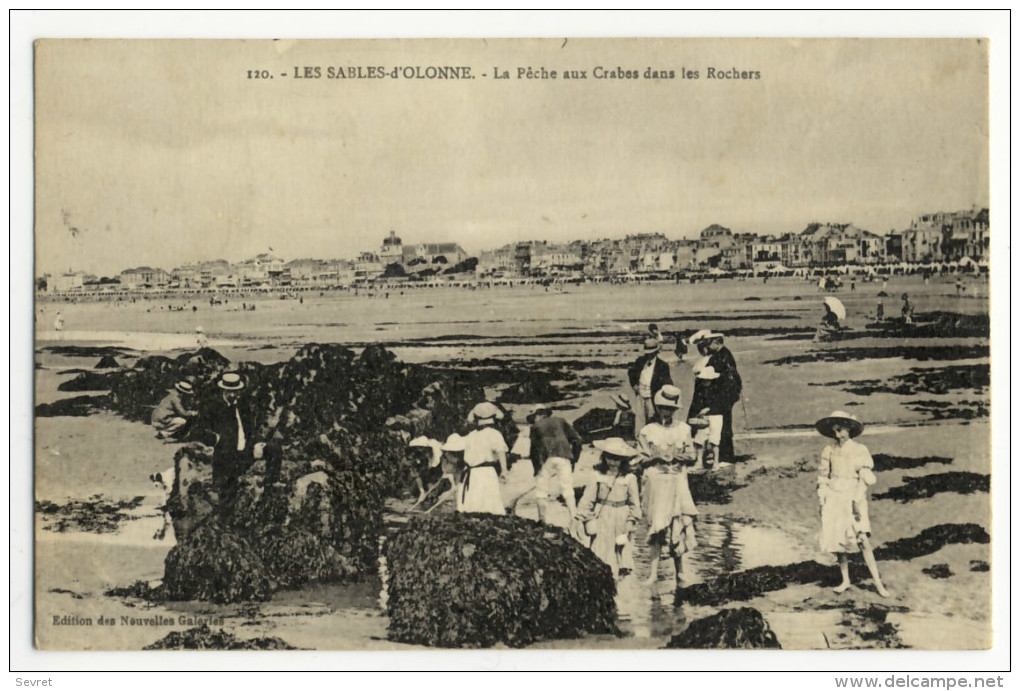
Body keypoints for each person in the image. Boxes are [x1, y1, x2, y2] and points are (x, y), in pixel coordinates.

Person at [816, 411, 890, 597]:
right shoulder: (829, 450)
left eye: (841, 430)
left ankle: (878, 584)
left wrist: (856, 501)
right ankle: (845, 580)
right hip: (834, 496)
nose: (838, 434)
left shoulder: (859, 450)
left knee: (862, 539)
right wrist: (822, 498)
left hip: (852, 496)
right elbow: (823, 476)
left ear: (849, 429)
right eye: (835, 431)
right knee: (839, 541)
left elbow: (864, 478)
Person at [636, 385, 699, 587]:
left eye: (670, 409)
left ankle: (680, 572)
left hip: (677, 481)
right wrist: (656, 457)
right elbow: (639, 460)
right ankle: (653, 573)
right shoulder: (647, 431)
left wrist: (677, 456)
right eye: (663, 407)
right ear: (657, 407)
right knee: (656, 527)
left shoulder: (684, 429)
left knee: (677, 525)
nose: (666, 412)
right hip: (656, 482)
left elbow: (692, 456)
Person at [575, 437, 642, 578]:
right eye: (609, 458)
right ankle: (604, 580)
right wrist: (581, 516)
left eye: (617, 459)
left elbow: (634, 503)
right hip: (603, 515)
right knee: (601, 549)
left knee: (622, 549)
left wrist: (631, 520)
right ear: (604, 457)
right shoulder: (597, 475)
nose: (612, 462)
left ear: (623, 460)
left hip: (622, 517)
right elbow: (588, 498)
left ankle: (621, 586)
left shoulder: (629, 477)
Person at [528, 404, 583, 524]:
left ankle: (542, 520)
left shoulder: (535, 427)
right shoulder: (561, 421)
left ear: (538, 415)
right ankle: (574, 517)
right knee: (567, 487)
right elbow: (577, 440)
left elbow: (534, 450)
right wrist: (574, 459)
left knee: (541, 489)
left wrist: (536, 470)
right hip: (564, 456)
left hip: (545, 458)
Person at [207, 372, 258, 499]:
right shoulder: (214, 406)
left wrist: (256, 443)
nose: (233, 395)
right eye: (230, 391)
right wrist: (216, 440)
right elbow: (202, 428)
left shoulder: (243, 405)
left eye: (236, 391)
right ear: (223, 390)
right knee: (226, 491)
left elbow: (250, 427)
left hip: (244, 451)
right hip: (224, 454)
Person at [459, 402, 509, 515]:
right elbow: (501, 452)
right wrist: (504, 470)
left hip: (470, 472)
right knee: (489, 504)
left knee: (473, 504)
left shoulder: (471, 435)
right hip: (486, 472)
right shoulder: (494, 434)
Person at [703, 332, 743, 464]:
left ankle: (725, 456)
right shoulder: (724, 354)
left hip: (724, 396)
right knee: (723, 425)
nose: (707, 346)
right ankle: (724, 455)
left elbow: (724, 376)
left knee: (724, 425)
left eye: (709, 343)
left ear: (716, 342)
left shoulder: (723, 356)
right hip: (725, 395)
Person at [628, 337, 673, 428]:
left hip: (653, 396)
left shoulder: (662, 365)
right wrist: (634, 385)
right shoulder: (640, 361)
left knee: (653, 420)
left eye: (651, 353)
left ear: (656, 352)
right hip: (640, 396)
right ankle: (639, 439)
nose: (649, 355)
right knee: (640, 420)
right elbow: (631, 372)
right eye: (647, 353)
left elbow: (668, 383)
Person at [688, 365, 724, 469]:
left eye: (705, 380)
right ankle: (699, 462)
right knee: (700, 439)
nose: (704, 382)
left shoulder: (718, 390)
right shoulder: (700, 390)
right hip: (703, 418)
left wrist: (708, 409)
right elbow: (696, 404)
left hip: (715, 416)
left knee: (714, 440)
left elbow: (720, 405)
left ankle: (716, 462)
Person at [407, 436, 443, 507]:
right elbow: (417, 474)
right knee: (414, 490)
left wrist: (431, 488)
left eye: (422, 447)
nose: (420, 449)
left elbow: (435, 472)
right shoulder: (417, 455)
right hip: (426, 472)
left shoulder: (436, 453)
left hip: (436, 470)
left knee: (431, 483)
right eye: (418, 447)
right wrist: (422, 491)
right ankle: (424, 495)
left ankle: (432, 497)